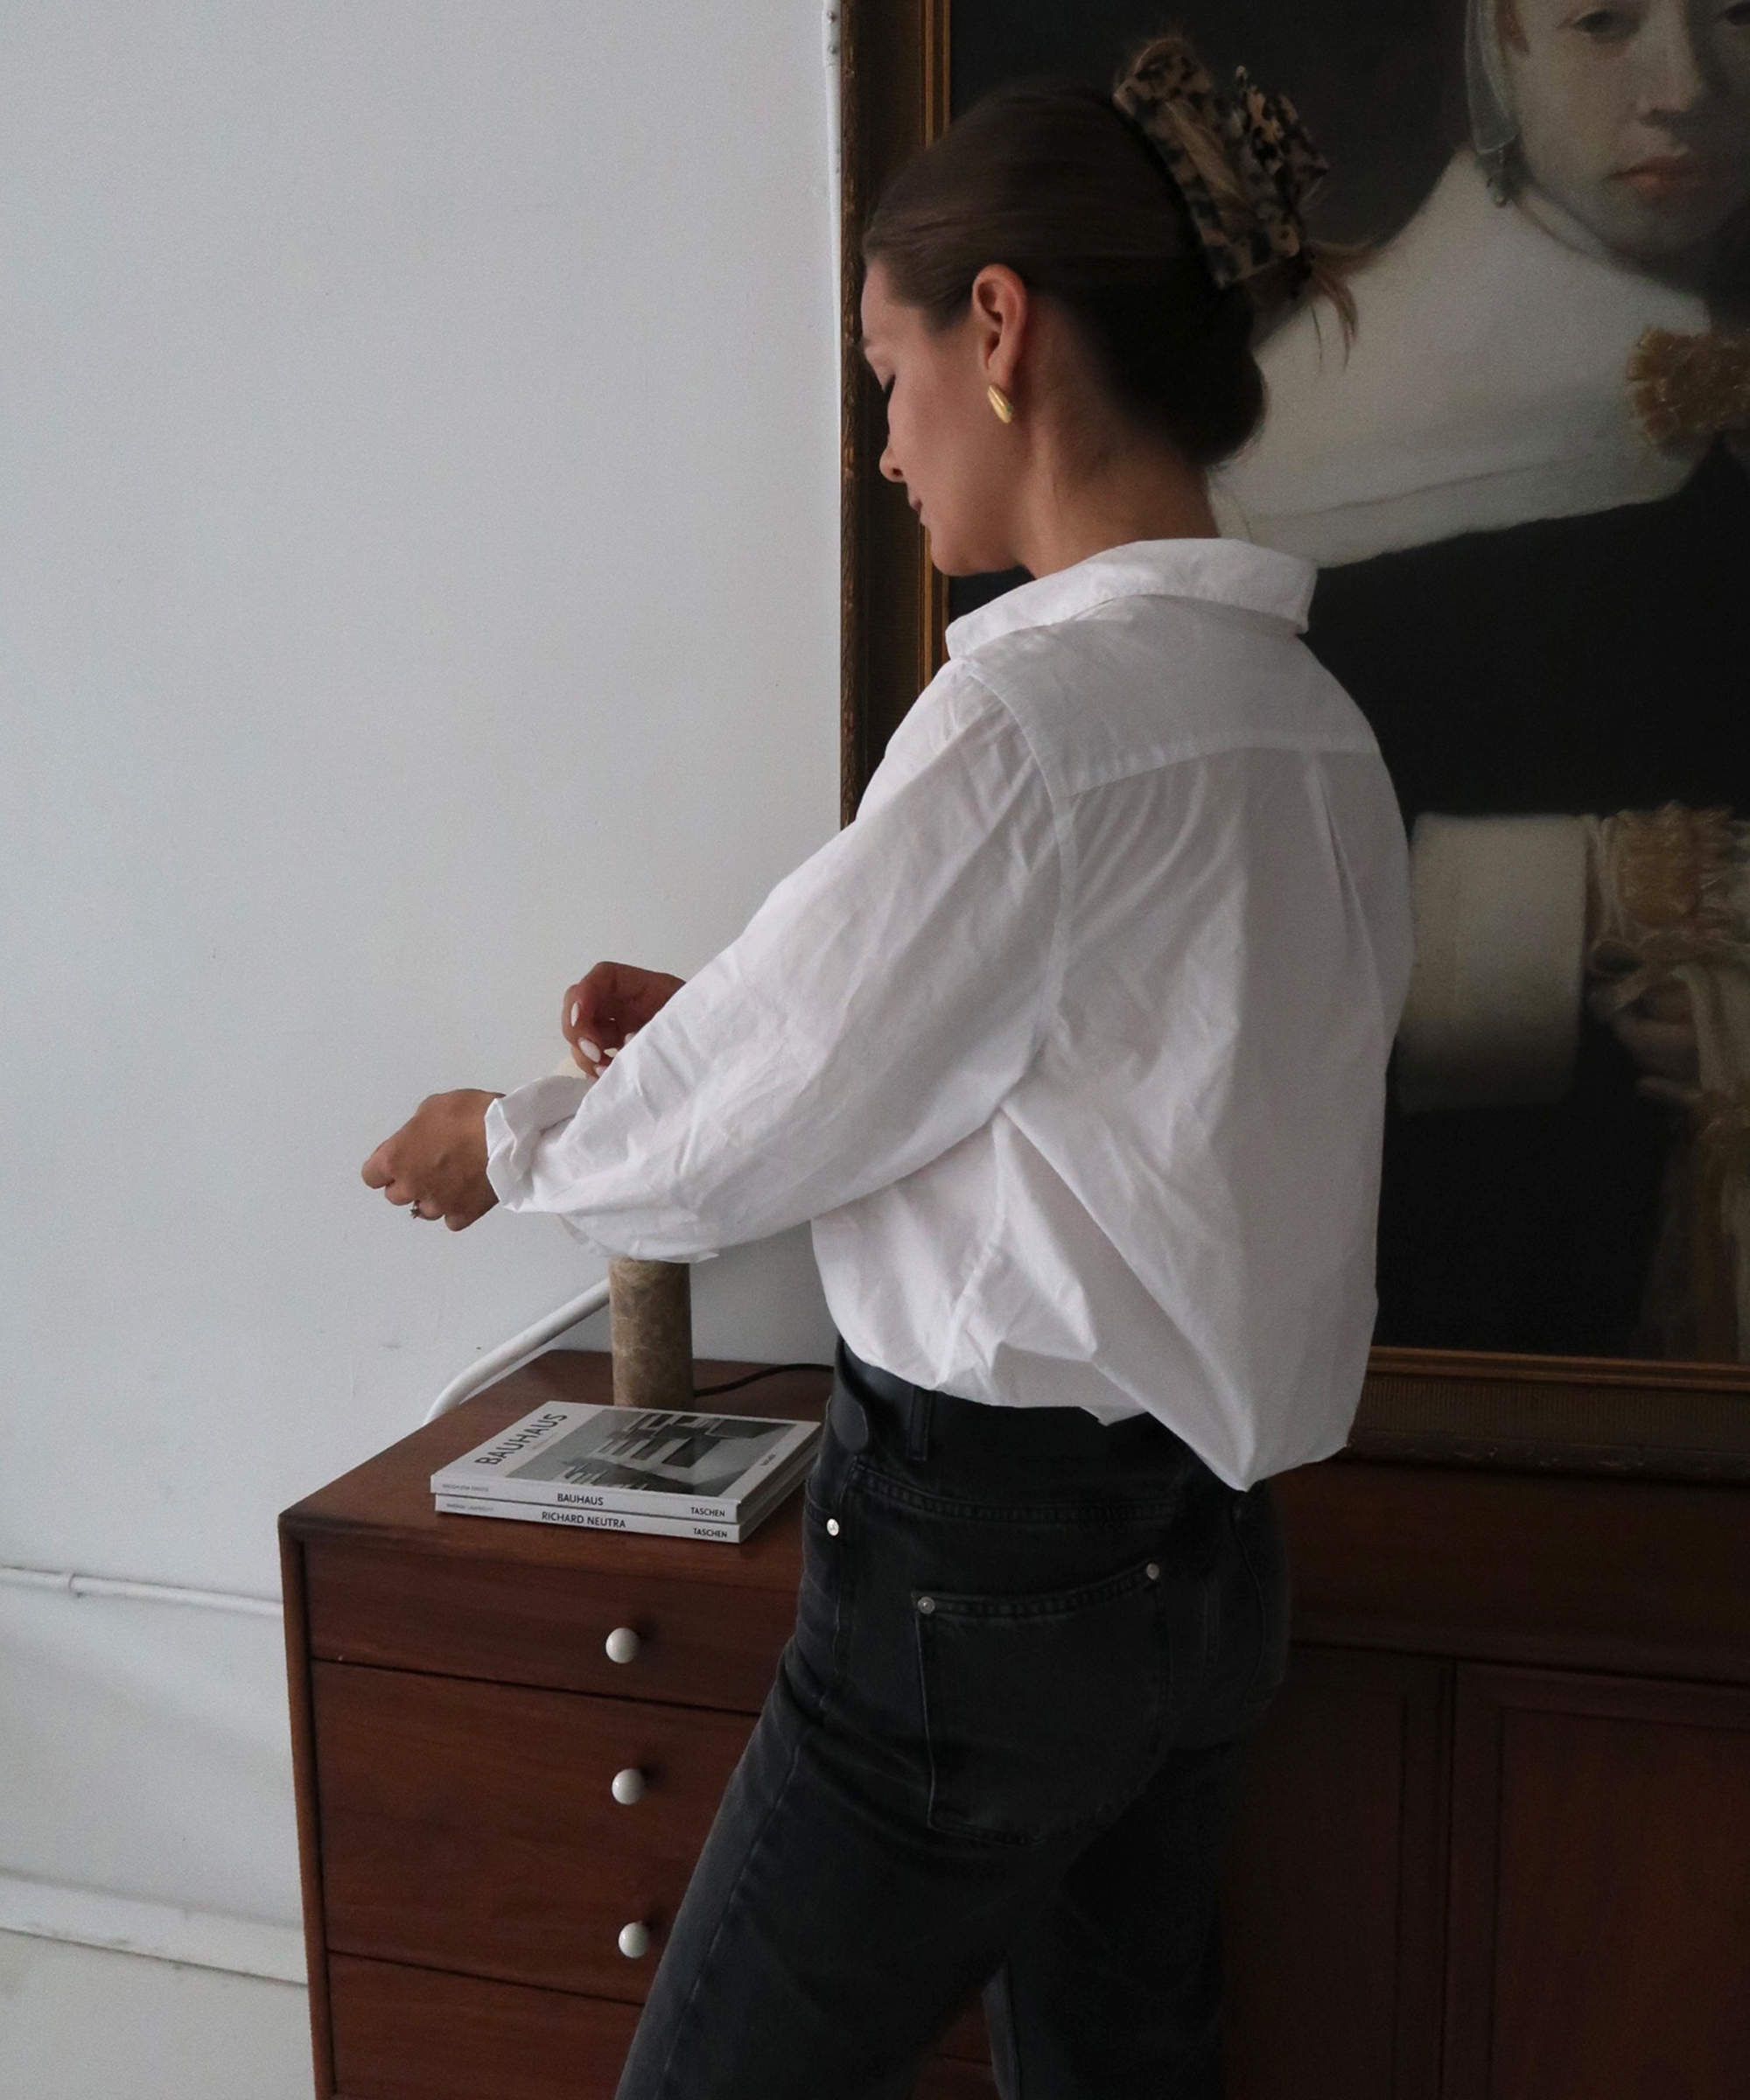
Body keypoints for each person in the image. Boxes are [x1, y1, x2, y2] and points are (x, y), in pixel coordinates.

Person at [362, 35, 1413, 2099]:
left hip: (980, 1585)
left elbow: (749, 1120)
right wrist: (741, 1018)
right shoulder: (1316, 742)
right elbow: (1100, 1100)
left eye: (887, 374)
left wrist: (497, 1145)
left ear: (999, 330)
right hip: (1204, 1583)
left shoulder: (1031, 724)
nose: (885, 448)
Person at [1217, 0, 1750, 1356]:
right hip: (1485, 1291)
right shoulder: (1317, 434)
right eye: (1606, 22)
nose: (1686, 86)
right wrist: (1605, 902)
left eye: (1740, 14)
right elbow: (1218, 924)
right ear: (1498, 38)